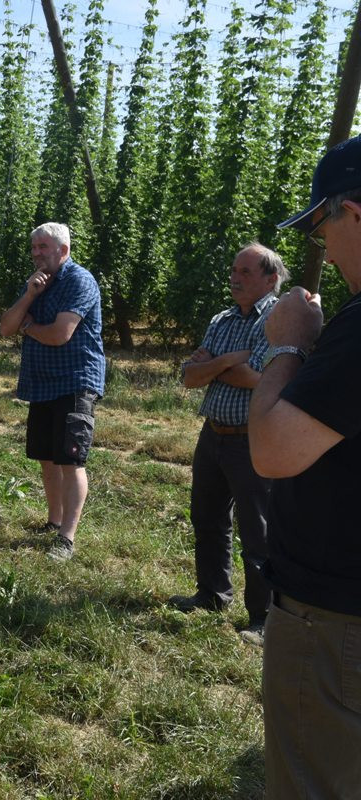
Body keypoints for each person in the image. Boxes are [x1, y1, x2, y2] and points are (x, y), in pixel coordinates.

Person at [249, 134, 361, 798]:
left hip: (333, 621)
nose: (320, 245)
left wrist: (286, 347)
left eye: (323, 224)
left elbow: (272, 448)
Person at [167, 244, 286, 646]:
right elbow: (189, 377)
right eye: (234, 269)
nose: (235, 277)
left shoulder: (276, 317)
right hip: (214, 432)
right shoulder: (223, 319)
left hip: (251, 438)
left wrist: (212, 366)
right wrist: (224, 363)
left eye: (247, 272)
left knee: (257, 530)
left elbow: (260, 378)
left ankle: (263, 617)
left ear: (271, 279)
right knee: (207, 517)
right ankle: (212, 595)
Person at [0, 222, 104, 561]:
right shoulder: (36, 283)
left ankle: (67, 539)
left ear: (64, 250)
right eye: (34, 247)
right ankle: (54, 521)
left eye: (43, 247)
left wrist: (28, 326)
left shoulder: (79, 281)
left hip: (75, 381)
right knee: (47, 456)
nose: (36, 253)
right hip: (42, 383)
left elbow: (60, 334)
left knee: (71, 459)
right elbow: (5, 328)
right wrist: (29, 295)